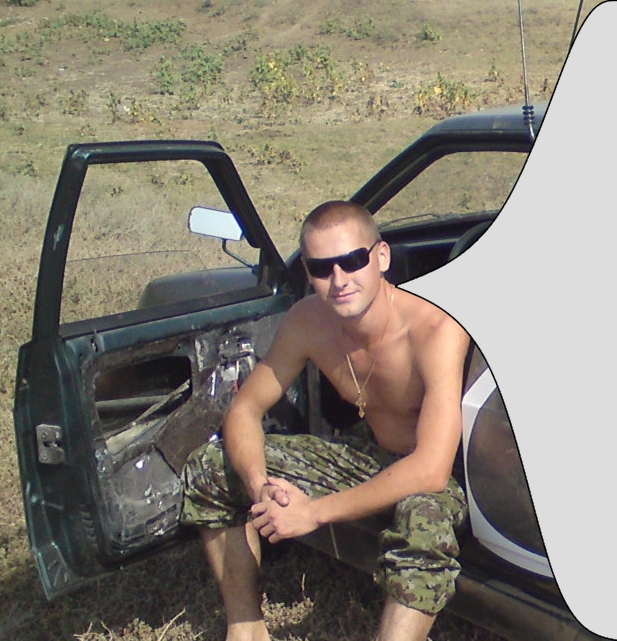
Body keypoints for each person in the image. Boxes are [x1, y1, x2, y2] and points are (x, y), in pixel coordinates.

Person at [180, 200, 469, 641]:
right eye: (321, 268)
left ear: (382, 257)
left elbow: (431, 469)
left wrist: (312, 513)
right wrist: (261, 488)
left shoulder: (435, 329)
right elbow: (244, 410)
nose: (339, 280)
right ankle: (245, 629)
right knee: (211, 465)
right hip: (370, 453)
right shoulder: (308, 321)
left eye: (353, 261)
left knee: (423, 522)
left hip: (442, 475)